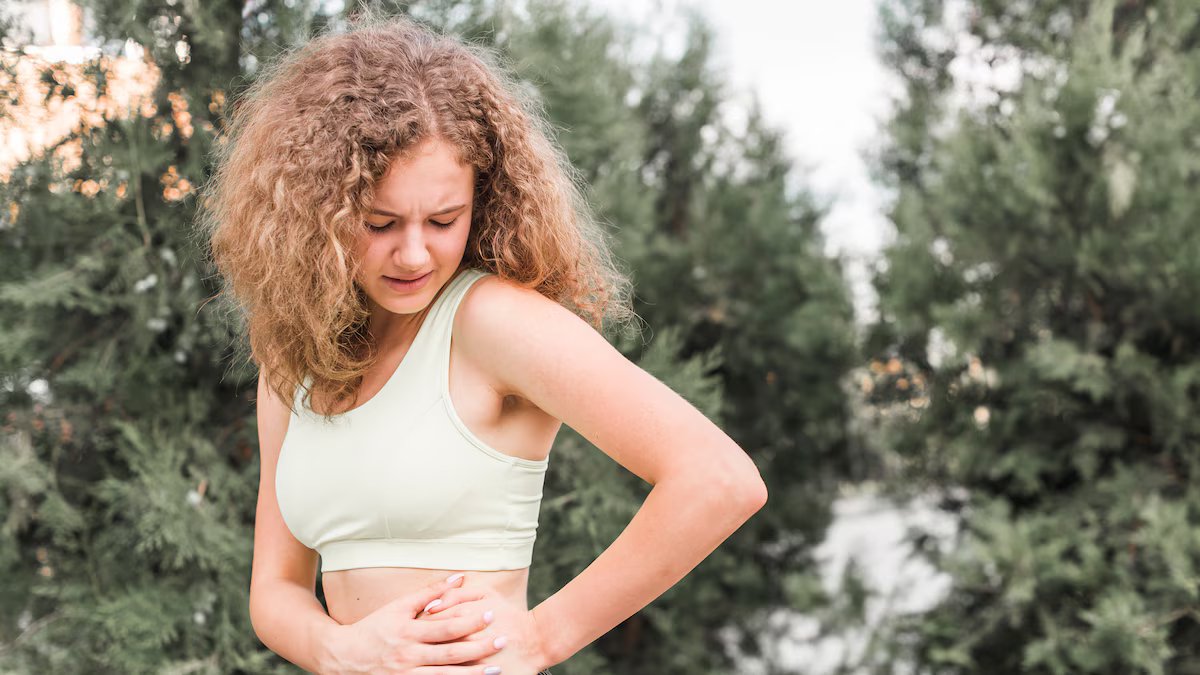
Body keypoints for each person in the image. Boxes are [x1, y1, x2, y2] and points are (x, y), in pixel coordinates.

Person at [197, 8, 767, 675]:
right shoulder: (296, 356)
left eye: (444, 220)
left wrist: (542, 638)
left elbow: (719, 479)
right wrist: (340, 650)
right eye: (379, 223)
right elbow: (275, 589)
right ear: (319, 213)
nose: (414, 253)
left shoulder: (491, 322)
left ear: (483, 201)